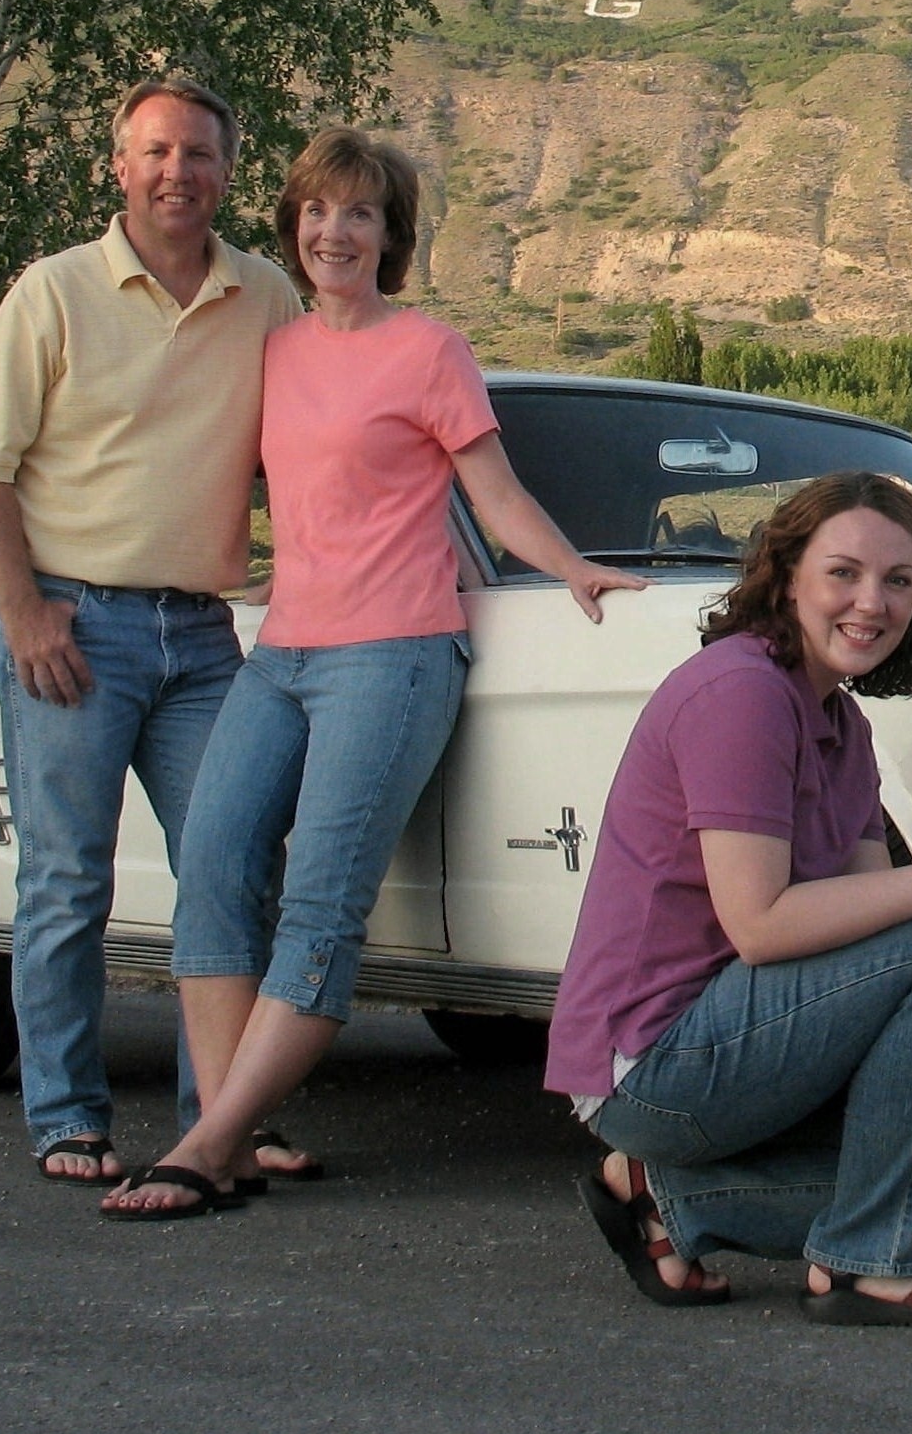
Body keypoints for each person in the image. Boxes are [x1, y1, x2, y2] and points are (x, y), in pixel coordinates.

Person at [101, 128, 644, 1219]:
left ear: (391, 235)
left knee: (320, 904)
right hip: (283, 651)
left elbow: (491, 497)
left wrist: (576, 567)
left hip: (393, 655)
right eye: (315, 211)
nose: (333, 232)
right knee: (209, 863)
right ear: (293, 225)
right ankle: (230, 1127)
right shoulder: (275, 346)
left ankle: (207, 1145)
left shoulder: (428, 351)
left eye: (358, 215)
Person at [549, 472, 912, 1326]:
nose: (870, 602)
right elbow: (762, 925)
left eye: (898, 581)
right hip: (652, 1062)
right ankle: (873, 1263)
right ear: (787, 576)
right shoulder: (740, 693)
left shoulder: (842, 727)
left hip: (739, 1040)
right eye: (842, 573)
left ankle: (666, 1199)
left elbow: (866, 909)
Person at [0, 76, 305, 1187]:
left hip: (202, 636)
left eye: (198, 154)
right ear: (118, 166)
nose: (177, 173)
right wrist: (22, 611)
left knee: (230, 869)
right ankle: (66, 1115)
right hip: (74, 625)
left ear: (227, 171)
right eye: (156, 152)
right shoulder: (53, 293)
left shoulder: (268, 297)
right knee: (67, 881)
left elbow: (313, 442)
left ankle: (222, 1120)